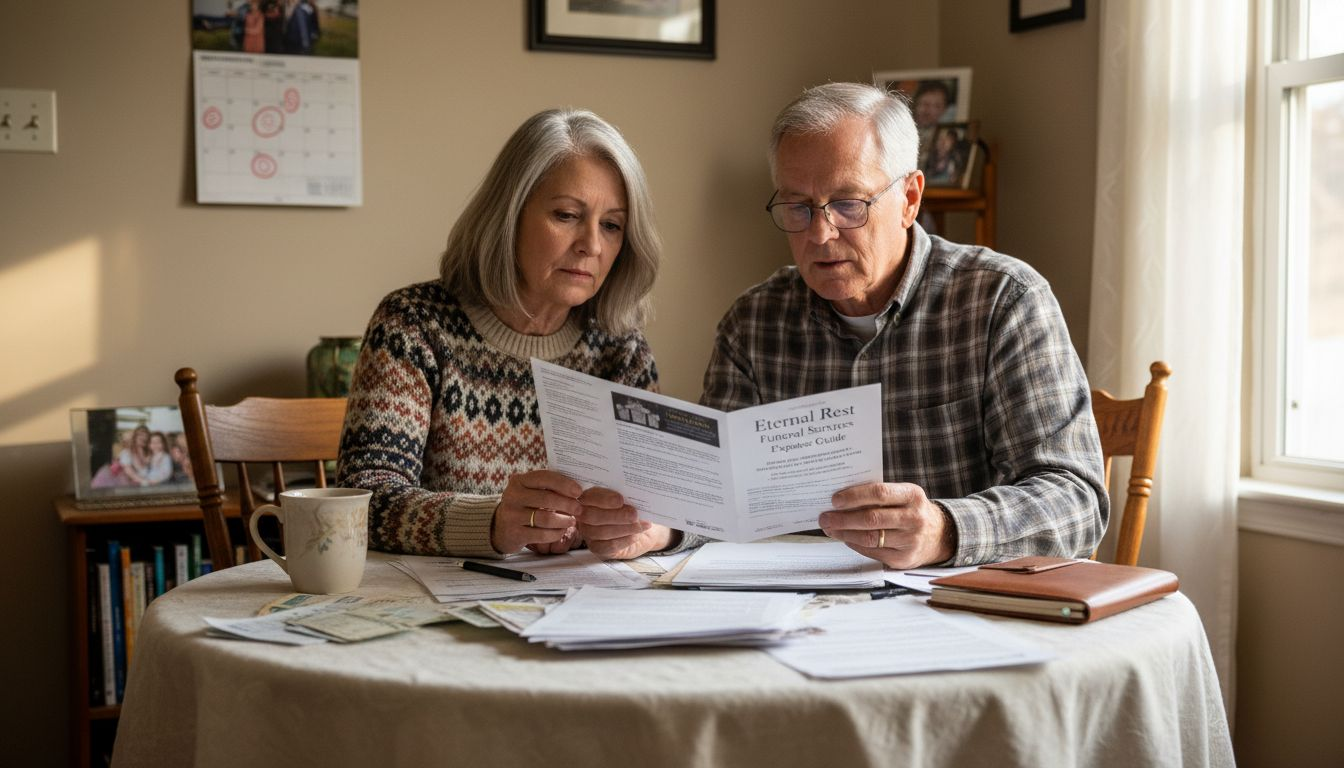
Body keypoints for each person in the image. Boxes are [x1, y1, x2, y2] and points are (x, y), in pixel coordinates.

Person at [701, 82, 1107, 569]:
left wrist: (945, 529)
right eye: (798, 207)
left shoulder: (1003, 300)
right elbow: (713, 499)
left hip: (957, 613)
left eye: (849, 203)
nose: (820, 233)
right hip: (794, 614)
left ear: (910, 198)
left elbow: (1076, 501)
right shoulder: (753, 324)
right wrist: (657, 529)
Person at [338, 108, 688, 561]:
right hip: (430, 609)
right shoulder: (414, 325)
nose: (592, 245)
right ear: (509, 214)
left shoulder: (620, 347)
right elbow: (363, 499)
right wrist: (494, 523)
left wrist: (655, 532)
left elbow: (689, 503)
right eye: (566, 215)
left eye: (612, 225)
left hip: (579, 606)